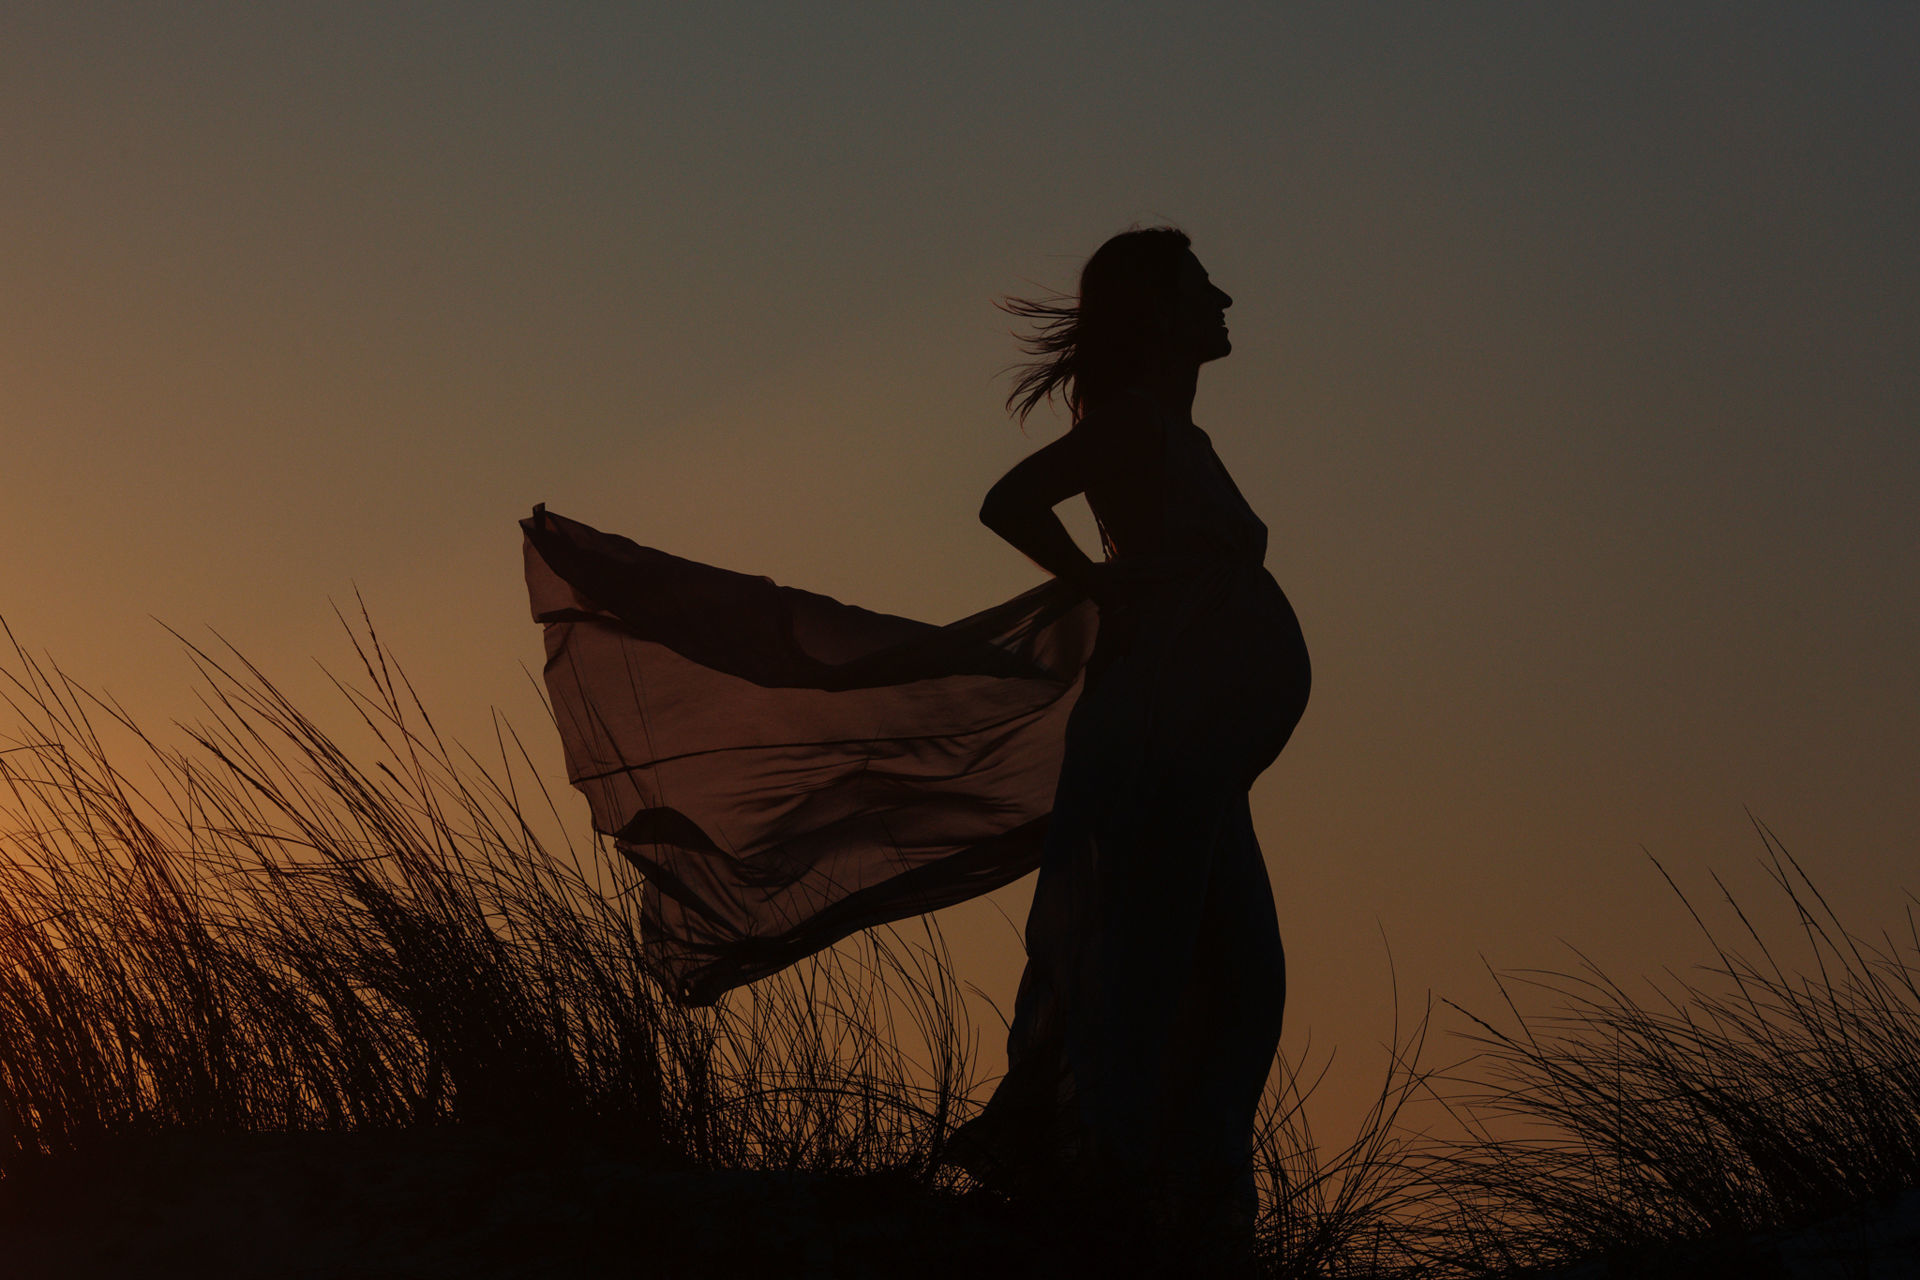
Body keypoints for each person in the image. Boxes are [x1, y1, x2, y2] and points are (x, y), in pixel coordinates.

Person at [945, 226, 1311, 1271]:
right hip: (1159, 740)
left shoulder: (1174, 432)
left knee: (1234, 984)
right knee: (1149, 981)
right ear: (1156, 311)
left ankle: (1185, 1212)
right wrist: (1099, 585)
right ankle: (1119, 1212)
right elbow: (1008, 500)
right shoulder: (1137, 425)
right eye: (1202, 284)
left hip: (1197, 754)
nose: (1225, 297)